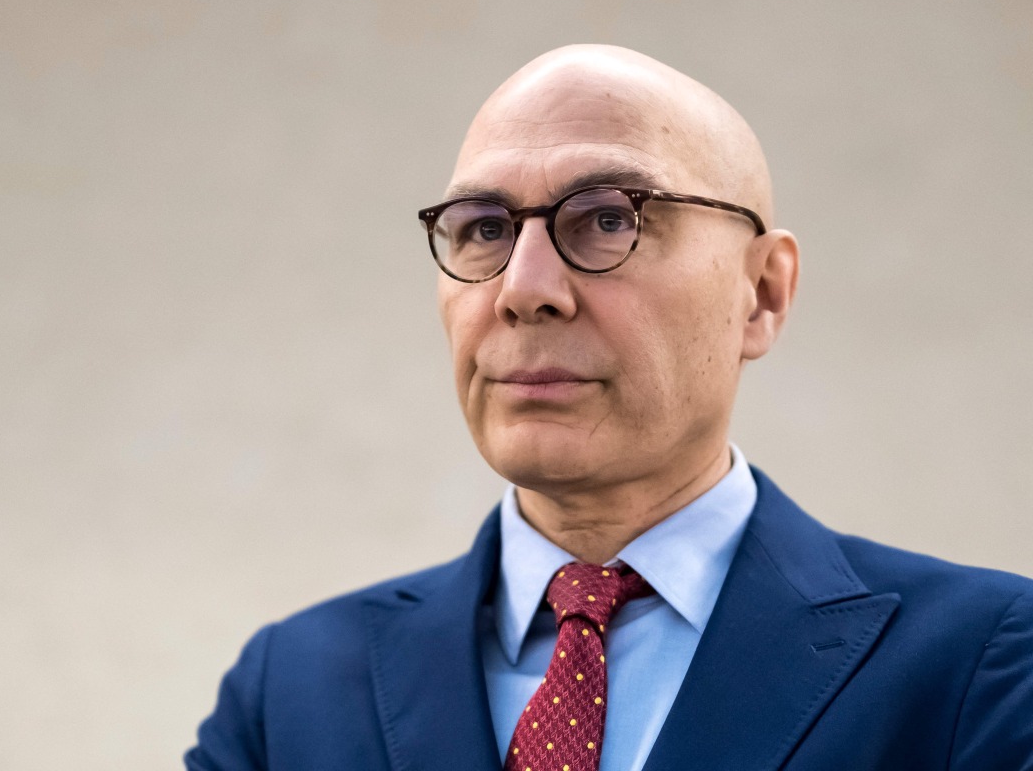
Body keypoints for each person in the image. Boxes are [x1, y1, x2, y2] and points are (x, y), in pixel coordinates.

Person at [184, 45, 1033, 770]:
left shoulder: (982, 665)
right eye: (484, 229)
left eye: (605, 219)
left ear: (763, 293)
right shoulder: (287, 698)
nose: (523, 289)